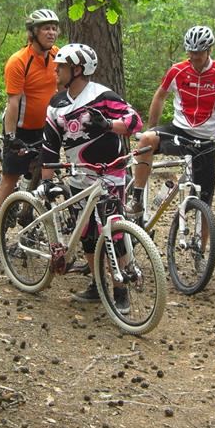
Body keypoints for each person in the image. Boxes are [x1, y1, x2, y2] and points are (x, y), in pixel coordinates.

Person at [38, 43, 143, 311]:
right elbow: (50, 144)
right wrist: (47, 181)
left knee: (113, 232)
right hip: (78, 176)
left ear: (77, 70)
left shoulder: (103, 96)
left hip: (110, 175)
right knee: (86, 232)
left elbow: (134, 122)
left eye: (61, 67)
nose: (56, 71)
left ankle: (120, 290)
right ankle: (97, 285)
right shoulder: (57, 103)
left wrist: (108, 124)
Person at [128, 25, 215, 219]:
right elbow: (159, 97)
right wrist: (152, 127)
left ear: (209, 50)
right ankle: (136, 199)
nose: (194, 56)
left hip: (206, 140)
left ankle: (203, 239)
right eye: (190, 52)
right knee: (147, 139)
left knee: (205, 207)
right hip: (178, 131)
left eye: (198, 53)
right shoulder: (177, 70)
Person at [0, 8, 60, 256]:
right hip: (20, 128)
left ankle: (28, 220)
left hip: (46, 127)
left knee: (43, 175)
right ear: (33, 32)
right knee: (10, 179)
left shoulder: (57, 56)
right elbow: (13, 102)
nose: (51, 32)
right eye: (46, 28)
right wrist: (11, 138)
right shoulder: (19, 61)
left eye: (54, 28)